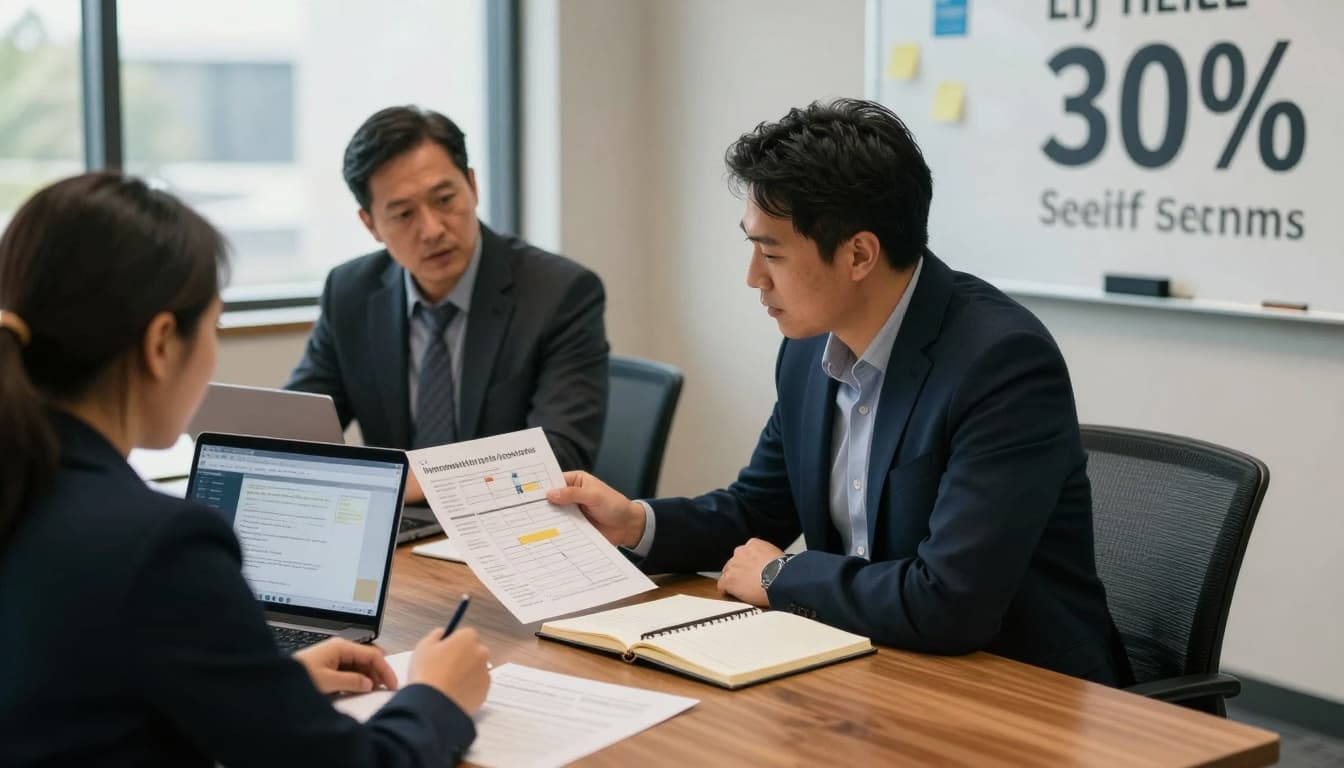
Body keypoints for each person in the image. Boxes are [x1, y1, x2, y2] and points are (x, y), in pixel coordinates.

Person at [548, 99, 1132, 686]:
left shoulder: (1001, 363)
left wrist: (782, 577)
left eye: (772, 252)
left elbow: (951, 600)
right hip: (874, 665)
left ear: (858, 254)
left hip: (1018, 689)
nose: (754, 277)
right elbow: (757, 509)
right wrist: (633, 522)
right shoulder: (808, 349)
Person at [0, 172, 491, 765]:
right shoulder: (159, 544)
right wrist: (436, 697)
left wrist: (262, 685)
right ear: (160, 344)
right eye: (215, 327)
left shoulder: (27, 488)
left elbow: (85, 699)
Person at [287, 105, 609, 503]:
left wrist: (420, 482)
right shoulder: (350, 292)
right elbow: (297, 429)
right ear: (370, 224)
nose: (433, 229)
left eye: (444, 199)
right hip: (402, 532)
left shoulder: (560, 293)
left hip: (513, 524)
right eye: (403, 214)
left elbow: (560, 454)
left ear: (472, 186)